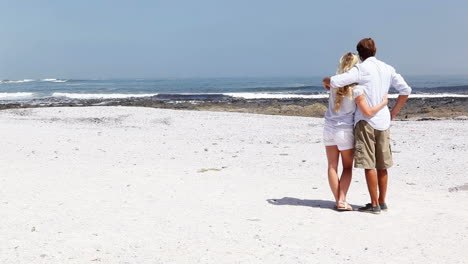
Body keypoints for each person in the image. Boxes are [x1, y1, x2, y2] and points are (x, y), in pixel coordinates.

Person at [323, 38, 412, 214]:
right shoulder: (388, 68)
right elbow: (406, 91)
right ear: (375, 49)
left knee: (369, 164)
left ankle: (374, 204)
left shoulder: (360, 69)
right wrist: (393, 112)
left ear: (359, 53)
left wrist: (327, 81)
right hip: (384, 121)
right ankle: (382, 201)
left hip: (365, 121)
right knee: (383, 164)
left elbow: (334, 82)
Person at [323, 52, 388, 211]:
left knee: (332, 166)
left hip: (328, 128)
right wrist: (384, 103)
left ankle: (339, 200)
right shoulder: (357, 89)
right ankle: (342, 199)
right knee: (346, 168)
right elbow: (366, 110)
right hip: (345, 131)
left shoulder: (333, 85)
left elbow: (327, 81)